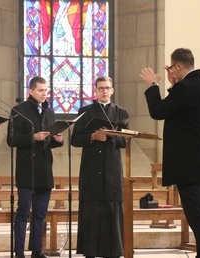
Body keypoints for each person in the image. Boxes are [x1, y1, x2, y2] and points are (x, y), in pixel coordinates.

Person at [139, 48, 200, 258]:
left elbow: (158, 111)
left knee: (197, 216)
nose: (169, 71)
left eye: (170, 67)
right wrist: (174, 85)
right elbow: (185, 112)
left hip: (188, 163)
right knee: (199, 213)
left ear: (176, 67)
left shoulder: (185, 88)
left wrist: (153, 85)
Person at [70, 76, 128, 258]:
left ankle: (112, 252)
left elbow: (125, 141)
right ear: (95, 90)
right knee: (92, 211)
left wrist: (112, 135)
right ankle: (90, 251)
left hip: (112, 169)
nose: (104, 91)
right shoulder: (85, 111)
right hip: (91, 170)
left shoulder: (121, 113)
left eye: (107, 88)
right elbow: (74, 139)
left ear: (112, 90)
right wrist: (93, 137)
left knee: (112, 210)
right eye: (101, 88)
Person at [7, 76, 64, 258]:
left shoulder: (50, 113)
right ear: (30, 91)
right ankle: (18, 252)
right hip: (26, 169)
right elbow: (11, 139)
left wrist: (57, 141)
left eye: (46, 90)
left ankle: (37, 251)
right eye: (40, 90)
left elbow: (49, 142)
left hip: (44, 169)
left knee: (40, 214)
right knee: (23, 212)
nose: (44, 93)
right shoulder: (19, 111)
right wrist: (33, 137)